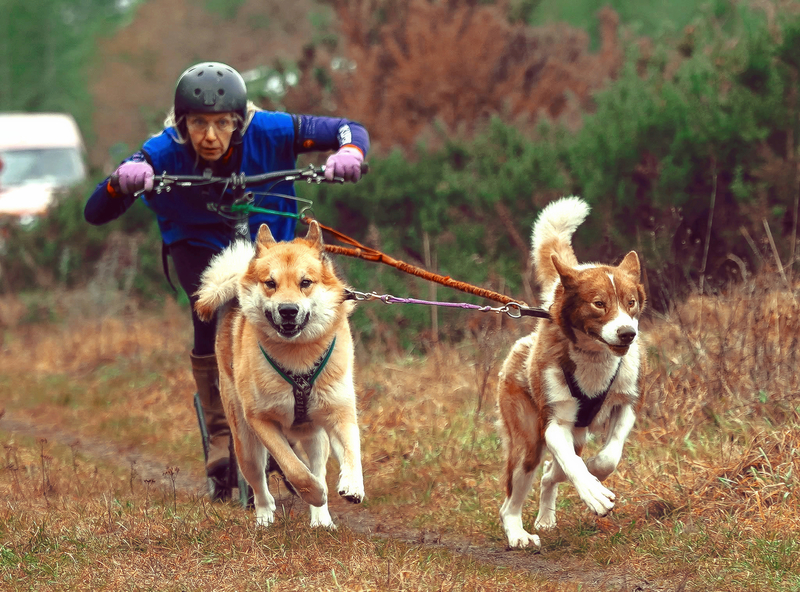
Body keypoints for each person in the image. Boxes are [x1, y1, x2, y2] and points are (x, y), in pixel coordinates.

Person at [84, 61, 369, 500]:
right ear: (182, 123)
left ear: (239, 121)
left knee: (285, 322)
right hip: (197, 246)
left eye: (222, 123)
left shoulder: (271, 130)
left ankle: (292, 417)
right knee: (212, 318)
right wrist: (120, 182)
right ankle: (221, 431)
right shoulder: (162, 150)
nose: (210, 136)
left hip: (272, 252)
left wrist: (350, 152)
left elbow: (348, 129)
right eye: (198, 123)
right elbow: (95, 212)